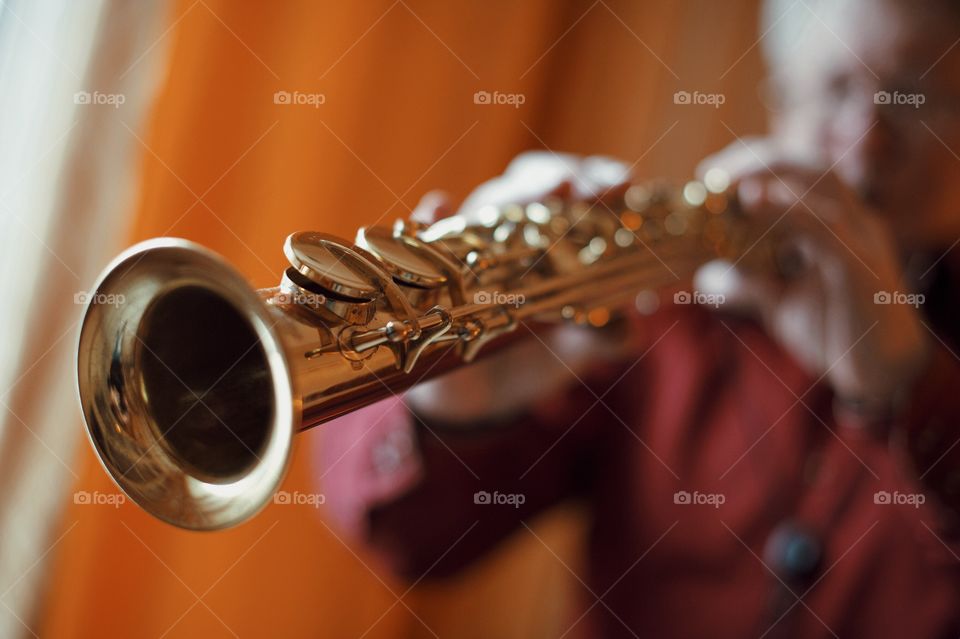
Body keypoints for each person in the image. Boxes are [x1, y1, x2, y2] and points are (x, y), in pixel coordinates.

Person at [317, 0, 960, 636]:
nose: (865, 141)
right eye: (834, 87)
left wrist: (909, 386)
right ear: (779, 97)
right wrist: (449, 399)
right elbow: (414, 543)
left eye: (916, 97)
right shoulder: (662, 316)